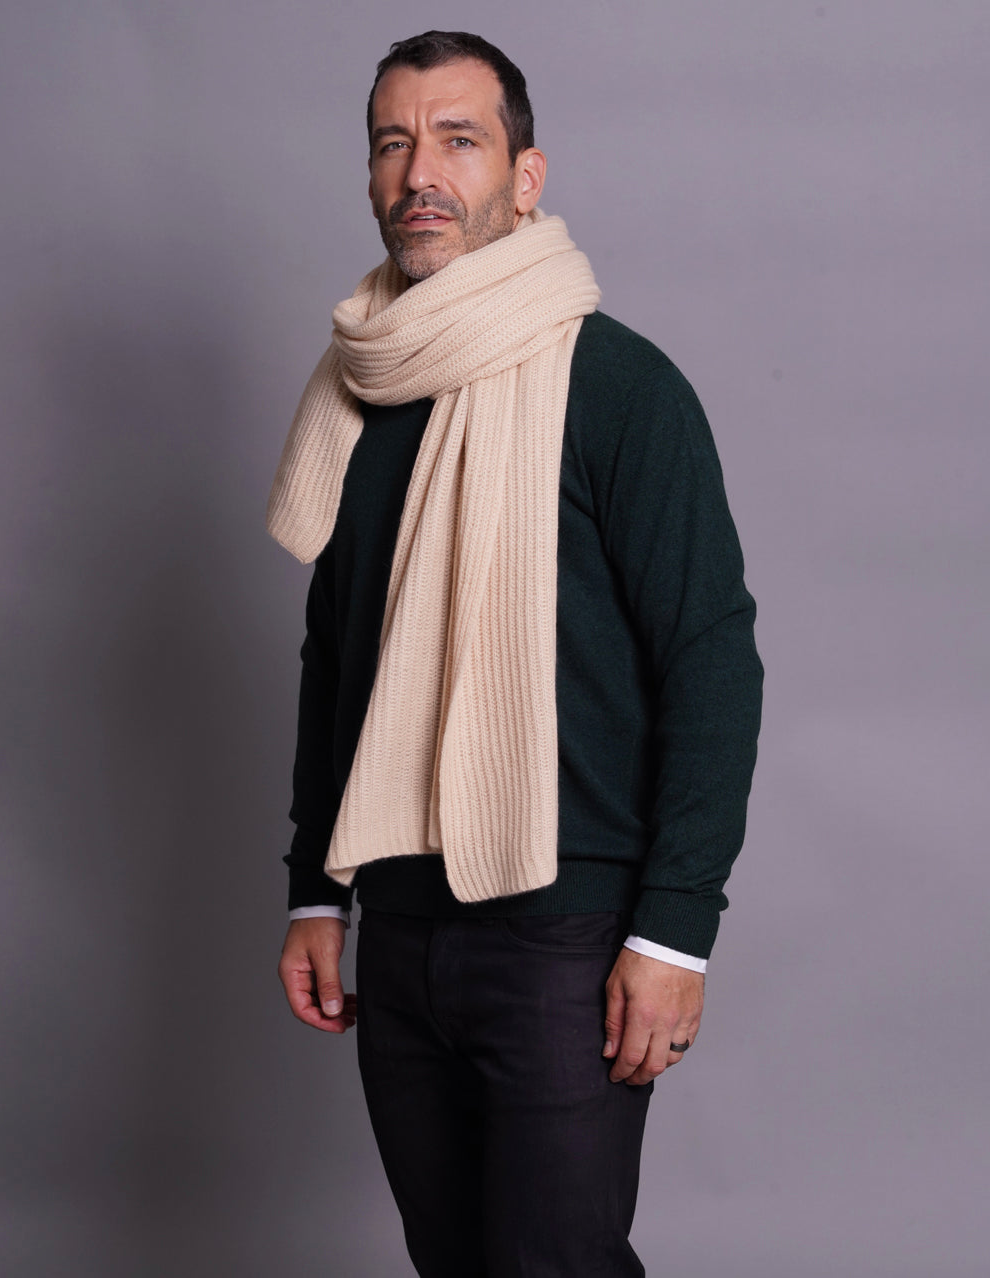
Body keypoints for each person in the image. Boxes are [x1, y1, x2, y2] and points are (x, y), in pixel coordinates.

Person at [269, 30, 762, 1278]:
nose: (419, 173)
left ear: (525, 177)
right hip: (400, 927)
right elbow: (339, 662)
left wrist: (673, 934)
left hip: (568, 934)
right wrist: (317, 893)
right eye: (393, 143)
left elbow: (711, 662)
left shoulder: (621, 387)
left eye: (459, 139)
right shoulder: (359, 392)